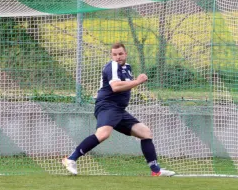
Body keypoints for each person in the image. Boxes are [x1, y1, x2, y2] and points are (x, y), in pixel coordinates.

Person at [62, 42, 175, 177]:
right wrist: (138, 81)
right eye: (115, 54)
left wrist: (134, 82)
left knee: (145, 132)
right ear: (112, 56)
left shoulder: (127, 68)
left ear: (126, 54)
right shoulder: (112, 66)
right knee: (103, 134)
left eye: (120, 54)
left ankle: (156, 171)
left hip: (119, 110)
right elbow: (115, 87)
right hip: (107, 105)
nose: (118, 57)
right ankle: (71, 159)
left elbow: (125, 85)